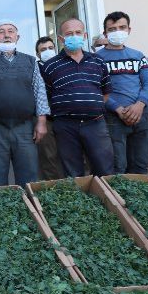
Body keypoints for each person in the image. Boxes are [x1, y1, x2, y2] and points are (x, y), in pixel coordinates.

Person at [0, 21, 48, 186]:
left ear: (17, 37)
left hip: (25, 128)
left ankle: (30, 211)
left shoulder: (30, 62)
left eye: (10, 31)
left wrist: (41, 122)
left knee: (29, 179)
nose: (6, 35)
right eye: (1, 32)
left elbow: (39, 91)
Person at [41, 18, 114, 177]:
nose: (74, 36)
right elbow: (45, 96)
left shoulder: (98, 61)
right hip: (65, 126)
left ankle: (107, 200)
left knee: (105, 168)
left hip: (95, 124)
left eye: (78, 32)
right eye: (69, 33)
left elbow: (106, 91)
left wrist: (92, 107)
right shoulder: (50, 66)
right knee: (73, 173)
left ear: (85, 35)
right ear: (61, 39)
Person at [98, 11, 148, 174]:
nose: (117, 32)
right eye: (112, 29)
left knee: (141, 167)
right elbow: (96, 90)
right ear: (105, 33)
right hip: (113, 118)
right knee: (117, 168)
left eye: (122, 27)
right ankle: (117, 200)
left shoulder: (138, 56)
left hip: (141, 116)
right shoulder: (96, 59)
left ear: (129, 30)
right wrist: (117, 108)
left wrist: (139, 105)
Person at [34, 36, 65, 181]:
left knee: (73, 155)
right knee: (49, 156)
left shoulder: (64, 65)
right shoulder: (34, 69)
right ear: (38, 54)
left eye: (50, 48)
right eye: (43, 49)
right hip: (46, 119)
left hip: (67, 118)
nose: (47, 51)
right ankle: (54, 190)